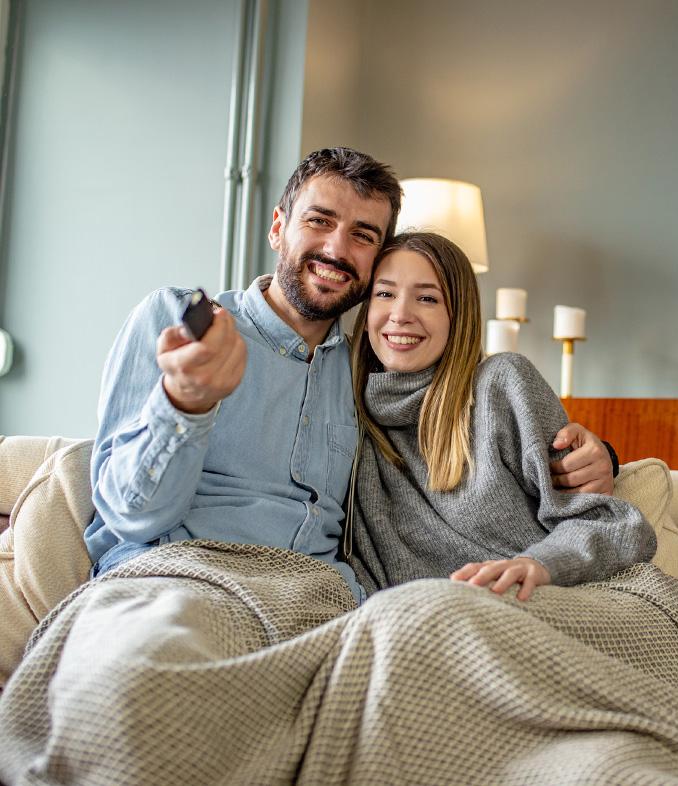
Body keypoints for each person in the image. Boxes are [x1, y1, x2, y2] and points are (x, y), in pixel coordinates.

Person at [82, 146, 616, 602]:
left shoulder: (366, 372)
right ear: (277, 226)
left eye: (363, 235)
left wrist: (599, 456)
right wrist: (185, 403)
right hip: (181, 579)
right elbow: (132, 519)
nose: (338, 249)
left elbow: (463, 413)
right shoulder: (179, 325)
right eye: (319, 221)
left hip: (318, 601)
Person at [347, 231, 655, 600]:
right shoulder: (341, 406)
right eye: (385, 294)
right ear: (366, 315)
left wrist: (539, 564)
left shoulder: (502, 384)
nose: (400, 315)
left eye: (427, 298)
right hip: (418, 621)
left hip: (538, 599)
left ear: (457, 318)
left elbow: (613, 524)